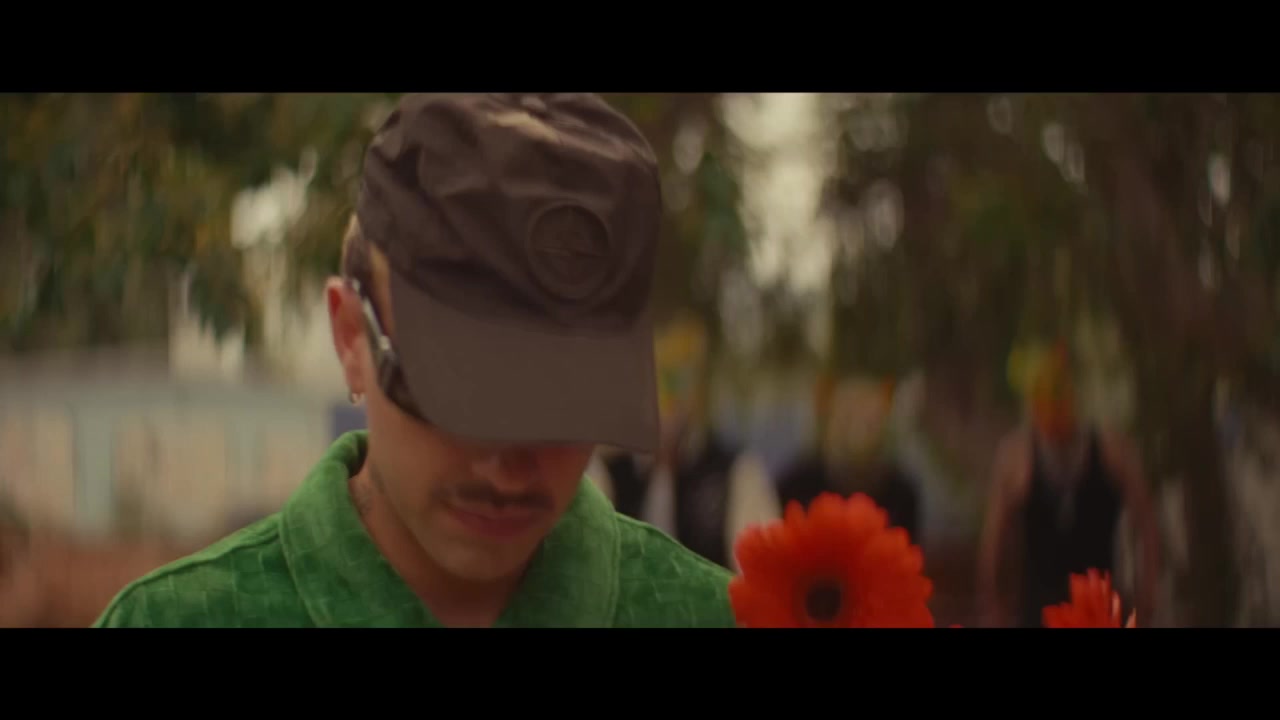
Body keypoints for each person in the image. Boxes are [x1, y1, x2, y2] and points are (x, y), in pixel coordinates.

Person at [93, 94, 736, 628]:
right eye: (460, 391)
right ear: (351, 338)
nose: (507, 467)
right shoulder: (176, 620)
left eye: (561, 402)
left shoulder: (715, 616)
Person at [976, 341, 1161, 628]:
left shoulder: (1111, 451)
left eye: (1059, 396)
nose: (1053, 409)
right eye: (1043, 399)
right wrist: (995, 608)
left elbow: (1146, 524)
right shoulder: (1016, 459)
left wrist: (1146, 595)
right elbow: (994, 545)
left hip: (1099, 611)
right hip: (1037, 614)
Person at [596, 314, 780, 571]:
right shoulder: (606, 471)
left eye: (679, 379)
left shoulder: (736, 472)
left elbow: (762, 573)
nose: (667, 401)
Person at [778, 375, 922, 542]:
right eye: (847, 413)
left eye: (869, 418)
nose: (858, 423)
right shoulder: (796, 486)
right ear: (829, 413)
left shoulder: (901, 494)